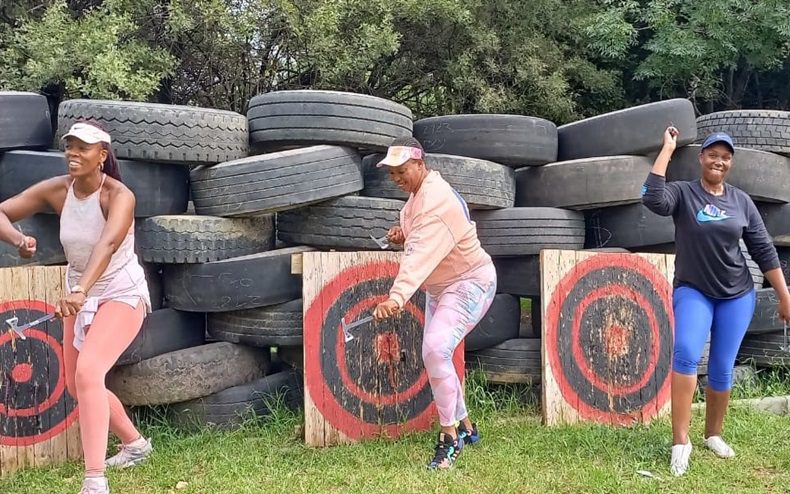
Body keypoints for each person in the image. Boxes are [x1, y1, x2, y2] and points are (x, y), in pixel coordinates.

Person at [0, 121, 154, 494]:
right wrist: (19, 239)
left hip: (120, 293)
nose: (73, 153)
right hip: (79, 297)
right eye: (69, 146)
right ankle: (135, 445)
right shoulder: (58, 190)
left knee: (88, 374)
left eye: (83, 148)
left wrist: (82, 289)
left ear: (102, 155)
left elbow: (108, 244)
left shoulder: (119, 196)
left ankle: (95, 479)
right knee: (76, 384)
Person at [642, 127, 790, 477]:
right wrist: (667, 148)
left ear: (730, 163)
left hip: (737, 294)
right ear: (701, 158)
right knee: (687, 353)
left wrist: (784, 295)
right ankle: (681, 442)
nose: (718, 161)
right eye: (713, 154)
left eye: (725, 157)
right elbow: (651, 197)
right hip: (694, 290)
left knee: (723, 367)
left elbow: (763, 250)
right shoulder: (683, 194)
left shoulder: (741, 201)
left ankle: (713, 435)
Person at [371, 136, 497, 470]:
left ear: (420, 163)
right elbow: (422, 239)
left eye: (402, 171)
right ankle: (467, 428)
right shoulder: (416, 199)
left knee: (435, 350)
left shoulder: (435, 200)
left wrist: (396, 297)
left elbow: (420, 255)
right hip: (441, 288)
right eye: (392, 174)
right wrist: (403, 233)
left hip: (470, 282)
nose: (397, 179)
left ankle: (449, 438)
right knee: (438, 352)